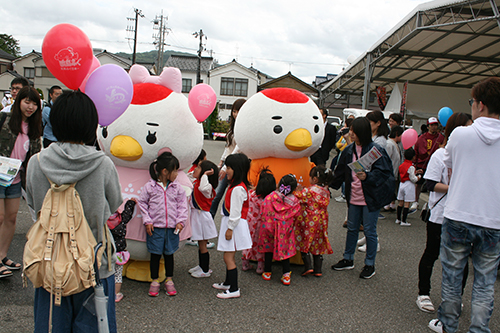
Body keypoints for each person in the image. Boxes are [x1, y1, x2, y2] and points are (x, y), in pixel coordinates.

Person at [25, 90, 122, 332]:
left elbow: (36, 209)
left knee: (51, 326)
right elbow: (112, 206)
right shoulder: (103, 164)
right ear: (91, 124)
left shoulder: (36, 163)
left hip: (50, 261)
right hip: (95, 264)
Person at [428, 77, 500, 333]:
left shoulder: (460, 134)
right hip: (494, 219)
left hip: (458, 214)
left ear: (480, 105)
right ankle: (479, 329)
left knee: (452, 277)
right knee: (485, 282)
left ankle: (448, 326)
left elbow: (447, 161)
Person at [417, 113, 472, 314]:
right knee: (432, 254)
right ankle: (423, 293)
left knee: (462, 260)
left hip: (464, 215)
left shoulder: (471, 155)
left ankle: (455, 297)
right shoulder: (441, 155)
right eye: (467, 127)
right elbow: (430, 184)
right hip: (440, 214)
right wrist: (455, 187)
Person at [330, 117, 394, 279]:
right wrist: (327, 185)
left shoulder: (376, 150)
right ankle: (348, 258)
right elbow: (340, 172)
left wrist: (368, 177)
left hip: (370, 198)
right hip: (353, 196)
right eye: (350, 130)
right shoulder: (349, 150)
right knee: (351, 228)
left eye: (354, 131)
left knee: (370, 231)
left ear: (362, 133)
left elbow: (385, 172)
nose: (351, 134)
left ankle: (369, 264)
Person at [0, 86, 42, 279]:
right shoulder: (5, 120)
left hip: (15, 179)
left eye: (34, 103)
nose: (30, 106)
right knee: (0, 217)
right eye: (27, 101)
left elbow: (34, 157)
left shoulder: (34, 128)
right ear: (18, 102)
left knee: (11, 218)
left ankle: (2, 256)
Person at [138, 152, 188, 297]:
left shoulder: (177, 188)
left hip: (172, 228)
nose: (177, 174)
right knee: (155, 255)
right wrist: (147, 220)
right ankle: (154, 281)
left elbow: (182, 205)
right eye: (175, 171)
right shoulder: (150, 187)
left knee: (169, 254)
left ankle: (169, 279)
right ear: (165, 171)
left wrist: (180, 221)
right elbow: (142, 202)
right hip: (155, 228)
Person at [212, 153, 252, 299]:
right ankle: (228, 283)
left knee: (228, 257)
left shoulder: (237, 189)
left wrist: (229, 228)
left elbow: (235, 212)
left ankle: (234, 288)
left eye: (228, 167)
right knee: (228, 256)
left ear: (237, 169)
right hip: (232, 224)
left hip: (233, 225)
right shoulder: (236, 186)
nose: (226, 170)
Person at [258, 174, 300, 285]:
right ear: (294, 188)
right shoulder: (294, 201)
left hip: (269, 227)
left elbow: (263, 210)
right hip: (284, 230)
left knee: (268, 249)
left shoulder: (271, 197)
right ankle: (286, 275)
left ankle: (267, 272)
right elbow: (296, 215)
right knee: (285, 251)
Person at [295, 165, 334, 277]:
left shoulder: (309, 191)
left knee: (305, 241)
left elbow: (298, 196)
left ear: (315, 179)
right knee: (318, 243)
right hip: (322, 221)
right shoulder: (326, 192)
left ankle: (308, 267)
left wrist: (298, 190)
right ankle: (318, 269)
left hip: (309, 220)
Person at [210, 99, 246, 218]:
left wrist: (226, 166)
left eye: (238, 111)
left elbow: (238, 148)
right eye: (234, 111)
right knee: (217, 195)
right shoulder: (233, 127)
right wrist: (221, 162)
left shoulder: (245, 128)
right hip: (228, 162)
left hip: (237, 165)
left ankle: (233, 224)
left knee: (235, 196)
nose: (235, 114)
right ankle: (208, 223)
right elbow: (228, 147)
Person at [188, 159, 219, 278]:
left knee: (202, 245)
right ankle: (201, 266)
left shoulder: (207, 187)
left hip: (202, 218)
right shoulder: (197, 181)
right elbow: (187, 177)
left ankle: (205, 269)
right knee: (201, 244)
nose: (195, 169)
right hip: (197, 216)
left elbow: (203, 188)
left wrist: (205, 175)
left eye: (199, 168)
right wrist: (198, 173)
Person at [241, 168, 276, 274]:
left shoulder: (251, 194)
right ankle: (260, 267)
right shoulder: (269, 200)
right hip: (263, 226)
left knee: (247, 243)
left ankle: (245, 264)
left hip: (250, 224)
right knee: (261, 245)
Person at [107, 198, 137, 303]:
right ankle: (116, 294)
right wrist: (131, 203)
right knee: (117, 275)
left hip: (106, 252)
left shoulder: (104, 221)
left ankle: (105, 293)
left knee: (105, 272)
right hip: (119, 252)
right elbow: (128, 213)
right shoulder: (122, 219)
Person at [413, 117, 444, 212]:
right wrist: (415, 163)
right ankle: (415, 201)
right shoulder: (421, 138)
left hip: (434, 164)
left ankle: (430, 203)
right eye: (432, 125)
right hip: (422, 164)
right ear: (428, 126)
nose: (434, 127)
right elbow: (416, 151)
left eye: (435, 125)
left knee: (433, 184)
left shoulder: (441, 137)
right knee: (418, 184)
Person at [366, 110, 389, 221]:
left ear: (378, 123)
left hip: (374, 175)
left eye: (370, 122)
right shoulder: (373, 137)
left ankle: (370, 237)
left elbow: (371, 158)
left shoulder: (381, 141)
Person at [396, 148, 422, 226]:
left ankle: (398, 219)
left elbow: (406, 172)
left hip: (402, 183)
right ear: (413, 157)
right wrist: (419, 176)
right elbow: (413, 179)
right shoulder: (411, 166)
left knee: (401, 202)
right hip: (409, 185)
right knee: (407, 203)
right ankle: (404, 221)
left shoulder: (402, 165)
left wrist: (416, 172)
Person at [383, 126, 404, 212]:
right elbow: (386, 159)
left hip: (394, 172)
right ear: (396, 134)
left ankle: (391, 204)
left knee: (393, 188)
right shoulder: (389, 144)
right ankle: (386, 204)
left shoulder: (395, 144)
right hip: (389, 173)